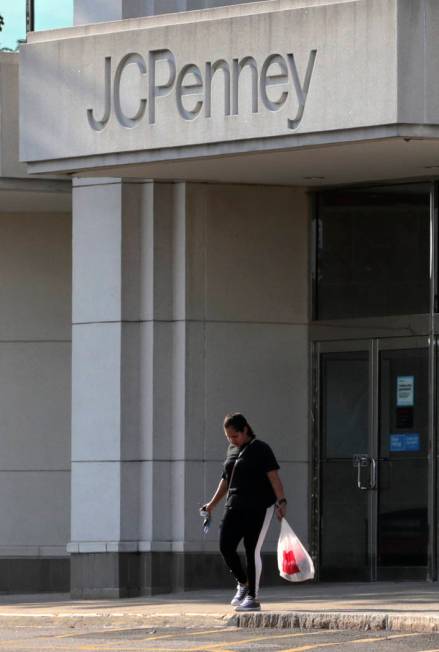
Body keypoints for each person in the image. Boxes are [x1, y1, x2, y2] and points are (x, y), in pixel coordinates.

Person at [202, 413, 287, 612]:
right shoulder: (232, 450)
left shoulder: (261, 449)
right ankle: (243, 582)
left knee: (251, 549)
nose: (232, 440)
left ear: (245, 429)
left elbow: (274, 477)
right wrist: (212, 504)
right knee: (225, 545)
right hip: (234, 505)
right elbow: (226, 480)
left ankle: (252, 597)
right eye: (229, 437)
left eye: (235, 436)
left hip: (258, 506)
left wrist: (282, 501)